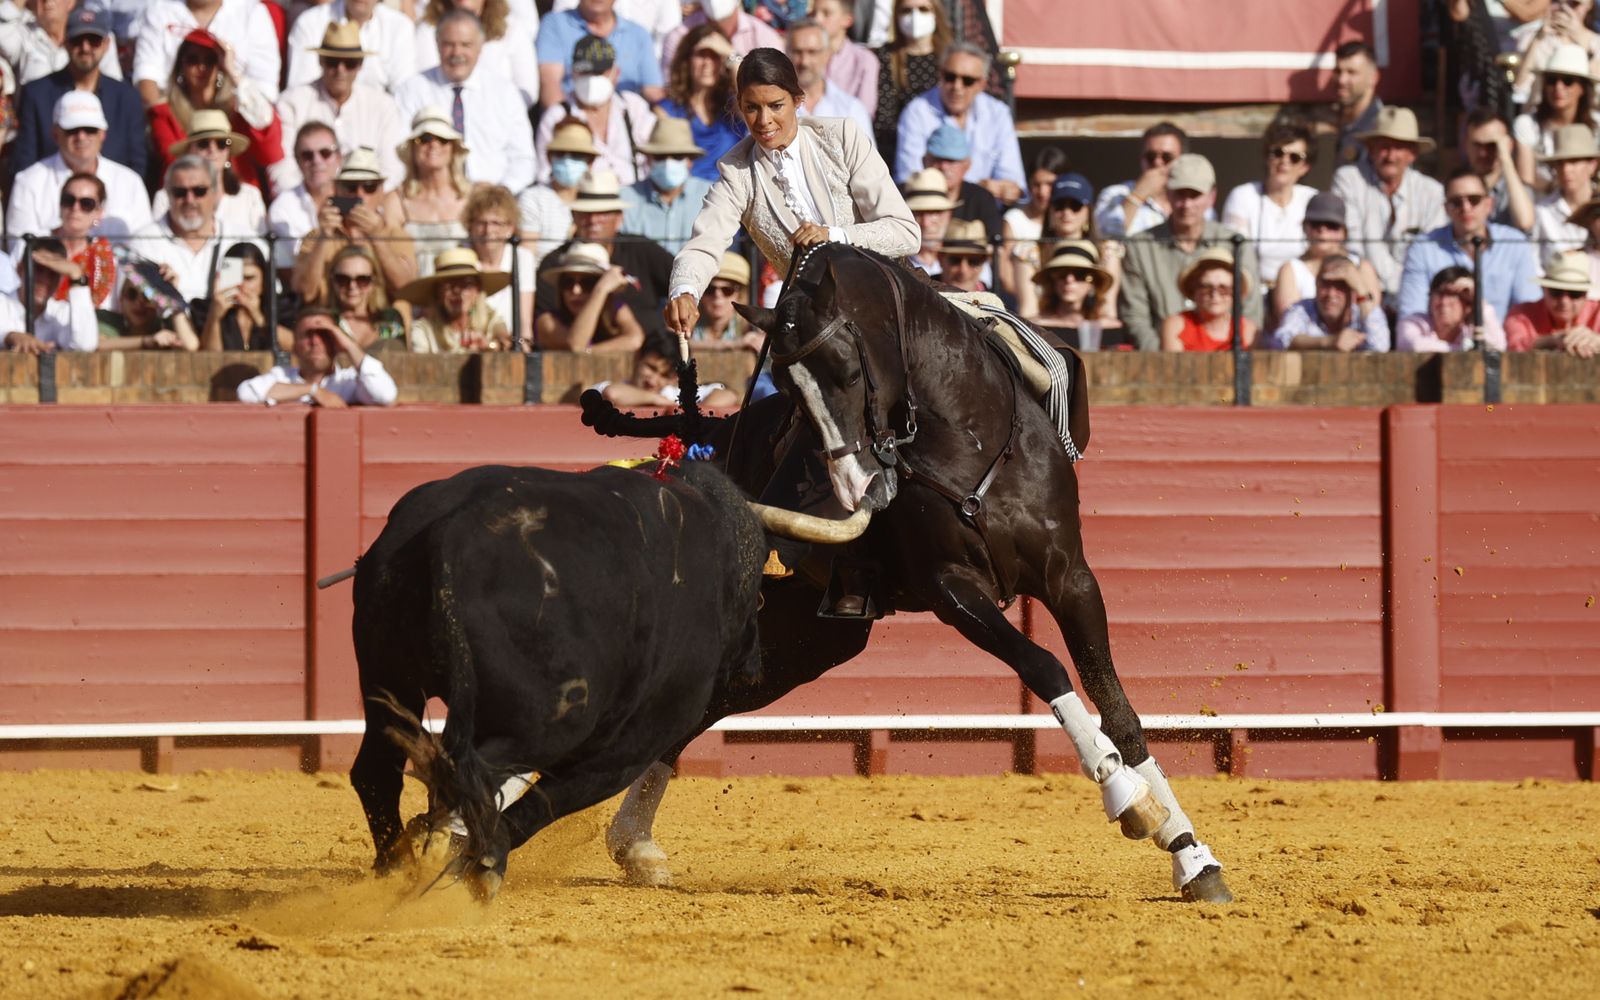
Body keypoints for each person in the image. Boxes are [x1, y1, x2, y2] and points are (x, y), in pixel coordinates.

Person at [664, 47, 919, 337]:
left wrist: (834, 235)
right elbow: (704, 243)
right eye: (751, 108)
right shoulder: (737, 173)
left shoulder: (843, 137)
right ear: (740, 106)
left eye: (775, 105)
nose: (763, 121)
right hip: (820, 334)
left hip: (894, 304)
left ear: (798, 100)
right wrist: (685, 291)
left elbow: (906, 233)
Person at [1120, 153, 1260, 352]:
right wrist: (1166, 361)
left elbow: (1251, 312)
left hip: (1227, 358)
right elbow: (1136, 319)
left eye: (1194, 195)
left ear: (1212, 196)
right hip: (1160, 362)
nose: (1186, 204)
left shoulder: (1236, 244)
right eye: (1180, 194)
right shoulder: (1140, 246)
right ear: (1167, 193)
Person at [393, 9, 536, 192]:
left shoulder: (504, 92)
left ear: (480, 46)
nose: (457, 52)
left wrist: (503, 190)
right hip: (430, 197)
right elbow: (399, 151)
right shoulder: (412, 89)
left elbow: (523, 158)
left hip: (492, 200)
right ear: (437, 44)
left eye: (466, 45)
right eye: (448, 44)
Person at [146, 29, 286, 196]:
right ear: (180, 66)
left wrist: (233, 72)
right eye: (192, 60)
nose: (201, 67)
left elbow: (270, 147)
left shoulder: (237, 109)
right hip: (188, 196)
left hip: (237, 195)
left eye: (210, 60)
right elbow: (173, 162)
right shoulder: (164, 113)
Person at [7, 91, 150, 252]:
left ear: (103, 134)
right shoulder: (28, 182)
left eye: (90, 129)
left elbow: (145, 248)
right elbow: (21, 251)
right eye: (72, 130)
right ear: (55, 134)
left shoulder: (130, 182)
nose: (81, 137)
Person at [9, 5, 144, 178]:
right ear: (65, 43)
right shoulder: (37, 94)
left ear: (106, 44)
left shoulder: (127, 97)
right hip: (49, 197)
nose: (85, 48)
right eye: (77, 40)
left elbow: (137, 164)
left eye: (93, 40)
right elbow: (24, 163)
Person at [1331, 106, 1446, 304]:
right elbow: (1352, 245)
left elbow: (1431, 253)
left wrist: (1404, 293)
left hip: (1417, 294)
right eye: (1383, 146)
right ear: (1371, 149)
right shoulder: (1349, 179)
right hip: (1362, 289)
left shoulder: (1431, 191)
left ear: (1413, 154)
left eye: (1399, 147)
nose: (1390, 155)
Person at [1396, 167, 1541, 322]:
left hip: (1503, 343)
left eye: (1474, 200)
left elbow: (1528, 313)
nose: (1465, 208)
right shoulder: (1423, 248)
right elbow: (1411, 318)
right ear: (1446, 208)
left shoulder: (1514, 243)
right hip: (1439, 344)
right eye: (1456, 202)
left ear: (1489, 204)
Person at [276, 21, 407, 187]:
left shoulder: (382, 106)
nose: (341, 70)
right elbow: (283, 169)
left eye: (350, 63)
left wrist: (368, 201)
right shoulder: (292, 102)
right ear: (321, 61)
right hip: (308, 202)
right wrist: (313, 202)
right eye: (333, 62)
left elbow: (392, 169)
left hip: (367, 202)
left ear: (360, 65)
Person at [892, 41, 1023, 204]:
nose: (957, 86)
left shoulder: (998, 113)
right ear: (940, 75)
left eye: (967, 80)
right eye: (950, 77)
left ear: (981, 84)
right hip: (931, 209)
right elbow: (910, 178)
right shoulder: (917, 111)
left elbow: (1013, 186)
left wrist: (1006, 190)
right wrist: (980, 187)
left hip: (986, 211)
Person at [537, 167, 673, 321]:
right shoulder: (554, 263)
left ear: (619, 218)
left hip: (652, 344)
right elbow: (545, 323)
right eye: (586, 212)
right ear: (573, 216)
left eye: (603, 212)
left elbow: (689, 284)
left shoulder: (642, 250)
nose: (593, 220)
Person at [291, 147, 417, 307]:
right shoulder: (316, 237)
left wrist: (377, 237)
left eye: (369, 187)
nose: (360, 195)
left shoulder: (396, 236)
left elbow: (404, 289)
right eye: (351, 187)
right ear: (337, 190)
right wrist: (324, 237)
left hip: (381, 325)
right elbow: (305, 291)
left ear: (381, 192)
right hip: (330, 321)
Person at [534, 33, 654, 185]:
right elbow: (544, 173)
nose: (591, 80)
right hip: (581, 201)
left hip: (635, 199)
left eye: (598, 73)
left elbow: (656, 157)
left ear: (615, 73)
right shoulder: (557, 116)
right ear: (573, 73)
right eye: (585, 73)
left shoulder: (634, 107)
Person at [1221, 118, 1319, 290]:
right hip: (1255, 291)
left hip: (1303, 293)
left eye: (1295, 157)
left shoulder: (1312, 199)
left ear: (1305, 167)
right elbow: (1237, 256)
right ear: (1267, 157)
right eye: (1278, 153)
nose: (1284, 161)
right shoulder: (1243, 196)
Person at [128, 156, 239, 305]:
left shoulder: (240, 239)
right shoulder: (143, 243)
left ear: (214, 193)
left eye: (199, 191)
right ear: (167, 194)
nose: (190, 200)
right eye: (180, 192)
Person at [236, 307, 399, 406]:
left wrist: (349, 345)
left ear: (336, 342)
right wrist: (314, 390)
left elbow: (385, 395)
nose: (315, 341)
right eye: (307, 335)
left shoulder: (348, 381)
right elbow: (246, 393)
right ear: (295, 347)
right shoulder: (282, 376)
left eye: (324, 334)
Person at [133, 0, 281, 107]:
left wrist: (232, 71)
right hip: (176, 126)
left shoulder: (253, 12)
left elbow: (266, 92)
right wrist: (170, 129)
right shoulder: (159, 10)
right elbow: (147, 81)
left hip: (236, 129)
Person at [1014, 172, 1120, 320]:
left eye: (1075, 206)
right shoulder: (1028, 251)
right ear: (1050, 210)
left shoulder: (1107, 251)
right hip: (1042, 334)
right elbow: (1028, 312)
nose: (1066, 212)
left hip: (1092, 335)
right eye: (1059, 206)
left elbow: (1107, 312)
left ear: (1087, 212)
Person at [1271, 191, 1383, 321]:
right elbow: (1288, 326)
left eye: (1332, 226)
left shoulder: (1362, 266)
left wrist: (1359, 286)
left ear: (1344, 232)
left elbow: (1375, 323)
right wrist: (1329, 340)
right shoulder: (1290, 269)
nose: (1322, 230)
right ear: (1304, 227)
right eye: (1316, 224)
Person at [156, 109, 266, 237]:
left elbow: (262, 249)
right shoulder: (165, 198)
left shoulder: (250, 196)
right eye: (203, 144)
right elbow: (156, 242)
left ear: (228, 152)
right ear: (189, 150)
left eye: (221, 143)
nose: (212, 150)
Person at [540, 0, 665, 111]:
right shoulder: (554, 24)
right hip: (571, 119)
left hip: (627, 125)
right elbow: (550, 85)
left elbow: (653, 91)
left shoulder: (638, 34)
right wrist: (567, 123)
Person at [413, 0, 539, 108]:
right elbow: (423, 86)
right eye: (448, 43)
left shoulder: (513, 30)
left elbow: (527, 91)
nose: (457, 52)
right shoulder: (428, 30)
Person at [657, 26, 744, 183]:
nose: (707, 63)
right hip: (689, 197)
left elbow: (753, 98)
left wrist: (732, 55)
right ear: (687, 60)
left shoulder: (734, 107)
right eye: (701, 55)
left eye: (715, 56)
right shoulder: (667, 110)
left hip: (731, 196)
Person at [396, 107, 474, 279]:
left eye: (443, 139)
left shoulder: (472, 197)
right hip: (415, 297)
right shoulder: (396, 201)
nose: (433, 144)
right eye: (424, 139)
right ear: (412, 148)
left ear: (453, 148)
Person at [872, 0, 949, 173]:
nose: (915, 16)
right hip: (900, 146)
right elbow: (884, 117)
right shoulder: (886, 57)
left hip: (942, 141)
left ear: (936, 14)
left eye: (923, 9)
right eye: (906, 11)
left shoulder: (948, 57)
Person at [1513, 42, 1600, 191]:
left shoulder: (1598, 125)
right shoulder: (1527, 124)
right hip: (1541, 208)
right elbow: (1526, 183)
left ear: (1582, 88)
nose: (1558, 87)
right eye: (1552, 80)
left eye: (1567, 81)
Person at [621, 116, 712, 254]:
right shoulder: (626, 199)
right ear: (648, 159)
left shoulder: (712, 195)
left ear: (690, 161)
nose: (668, 163)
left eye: (677, 157)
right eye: (660, 157)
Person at [534, 240, 645, 352]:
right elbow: (576, 345)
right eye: (567, 283)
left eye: (588, 284)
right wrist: (600, 290)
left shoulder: (616, 310)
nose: (575, 291)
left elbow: (635, 339)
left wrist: (589, 352)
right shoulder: (547, 321)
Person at [399, 245, 512, 352]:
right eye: (449, 285)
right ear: (437, 293)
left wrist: (490, 346)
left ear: (477, 290)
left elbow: (512, 342)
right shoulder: (424, 330)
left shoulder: (491, 319)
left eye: (466, 284)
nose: (457, 291)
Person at [285, 0, 415, 92]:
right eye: (332, 61)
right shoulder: (309, 23)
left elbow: (403, 92)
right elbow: (301, 90)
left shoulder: (400, 27)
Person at [597, 326, 740, 409]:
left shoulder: (676, 394)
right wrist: (659, 401)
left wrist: (694, 418)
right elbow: (612, 394)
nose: (653, 381)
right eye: (651, 368)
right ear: (637, 358)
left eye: (665, 376)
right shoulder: (609, 387)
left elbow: (727, 395)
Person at [1271, 254, 1391, 352]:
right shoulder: (1302, 309)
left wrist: (1361, 288)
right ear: (1316, 285)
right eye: (1325, 285)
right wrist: (1330, 342)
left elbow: (1380, 346)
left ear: (1352, 290)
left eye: (1340, 285)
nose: (1331, 294)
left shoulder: (1361, 313)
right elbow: (1282, 340)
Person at [30, 171, 115, 308]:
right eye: (68, 200)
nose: (75, 208)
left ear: (98, 213)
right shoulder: (35, 241)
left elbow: (95, 303)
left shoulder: (101, 252)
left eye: (86, 203)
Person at [1026, 240, 1130, 351]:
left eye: (1080, 274)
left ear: (1093, 283)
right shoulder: (1033, 327)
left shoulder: (1111, 329)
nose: (1069, 280)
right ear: (1052, 281)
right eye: (1061, 273)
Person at [519, 117, 595, 266]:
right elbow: (526, 259)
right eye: (560, 154)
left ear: (591, 161)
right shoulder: (533, 198)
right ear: (548, 157)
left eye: (576, 155)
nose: (567, 160)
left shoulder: (601, 202)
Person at [0, 240, 98, 353]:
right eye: (38, 270)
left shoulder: (62, 312)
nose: (45, 280)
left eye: (53, 273)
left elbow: (85, 345)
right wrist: (9, 337)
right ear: (20, 269)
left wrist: (77, 276)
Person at [269, 123, 342, 275]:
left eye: (325, 153)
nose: (317, 160)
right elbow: (298, 262)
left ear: (339, 158)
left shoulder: (359, 193)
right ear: (297, 160)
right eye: (307, 155)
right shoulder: (282, 208)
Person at [464, 185, 534, 342]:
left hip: (508, 344)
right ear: (470, 226)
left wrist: (523, 347)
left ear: (510, 228)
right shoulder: (461, 257)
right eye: (481, 223)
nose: (488, 230)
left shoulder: (523, 259)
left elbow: (524, 320)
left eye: (496, 223)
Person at [0, 0, 123, 87]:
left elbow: (114, 87)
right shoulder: (22, 33)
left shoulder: (96, 36)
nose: (47, 0)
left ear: (71, 2)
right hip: (37, 118)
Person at [1000, 146, 1068, 300]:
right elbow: (1004, 272)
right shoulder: (1015, 219)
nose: (1042, 192)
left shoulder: (1069, 218)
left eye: (1049, 184)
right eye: (1037, 184)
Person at [1159, 248, 1257, 352]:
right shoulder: (1176, 326)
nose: (1215, 295)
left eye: (1223, 288)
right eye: (1206, 287)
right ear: (1194, 290)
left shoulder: (1249, 331)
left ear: (1235, 292)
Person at [922, 123, 1002, 252]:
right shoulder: (903, 195)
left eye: (952, 161)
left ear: (967, 165)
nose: (944, 167)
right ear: (924, 161)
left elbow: (997, 251)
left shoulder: (982, 199)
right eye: (937, 160)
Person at [659, 0, 783, 83]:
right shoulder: (679, 37)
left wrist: (732, 57)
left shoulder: (765, 37)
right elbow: (672, 90)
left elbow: (772, 92)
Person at [199, 242, 292, 351]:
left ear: (263, 280)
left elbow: (293, 347)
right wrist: (214, 317)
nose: (241, 285)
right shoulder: (203, 309)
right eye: (235, 278)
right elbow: (211, 358)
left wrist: (258, 317)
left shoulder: (281, 307)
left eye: (249, 278)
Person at [789, 17, 872, 138]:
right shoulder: (771, 108)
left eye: (812, 52)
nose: (804, 62)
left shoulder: (851, 109)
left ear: (827, 54)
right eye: (797, 52)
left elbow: (867, 155)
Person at [1503, 249, 1600, 352]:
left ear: (1586, 294)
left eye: (1574, 294)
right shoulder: (1521, 314)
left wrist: (1597, 341)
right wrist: (1551, 340)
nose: (1564, 301)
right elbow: (1514, 346)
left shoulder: (1598, 312)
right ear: (1544, 289)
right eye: (1556, 292)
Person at [1532, 122, 1599, 265]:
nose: (1566, 169)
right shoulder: (1542, 211)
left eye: (1574, 161)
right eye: (1560, 163)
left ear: (1592, 165)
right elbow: (1533, 262)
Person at [1394, 265, 1505, 352]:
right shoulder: (1414, 322)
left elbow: (1498, 347)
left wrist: (1479, 303)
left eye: (1453, 295)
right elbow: (1414, 346)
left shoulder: (1473, 329)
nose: (1444, 302)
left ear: (1468, 304)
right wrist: (1464, 351)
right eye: (1439, 293)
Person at [1462, 106, 1536, 233]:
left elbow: (1525, 222)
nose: (1483, 153)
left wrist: (1506, 159)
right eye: (1477, 145)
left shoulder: (1518, 190)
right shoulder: (1457, 188)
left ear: (1509, 145)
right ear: (1466, 144)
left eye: (1491, 146)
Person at [322, 244, 408, 348]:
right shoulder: (323, 321)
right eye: (343, 279)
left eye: (362, 280)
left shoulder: (390, 319)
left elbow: (401, 357)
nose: (352, 286)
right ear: (332, 281)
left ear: (373, 282)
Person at [98, 277, 200, 351]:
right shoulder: (108, 321)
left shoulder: (167, 325)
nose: (139, 302)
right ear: (121, 299)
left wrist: (173, 296)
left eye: (147, 296)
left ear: (158, 301)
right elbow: (95, 344)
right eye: (131, 294)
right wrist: (148, 341)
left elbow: (190, 346)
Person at [688, 251, 761, 350]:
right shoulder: (688, 322)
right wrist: (732, 345)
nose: (718, 295)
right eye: (709, 289)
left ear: (739, 295)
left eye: (727, 290)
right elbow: (672, 343)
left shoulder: (752, 327)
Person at [1333, 40, 1383, 166]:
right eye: (1338, 71)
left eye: (1351, 72)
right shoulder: (1330, 119)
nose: (1341, 80)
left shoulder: (1382, 128)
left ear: (1373, 78)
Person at [902, 166, 958, 275]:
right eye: (917, 214)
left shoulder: (969, 261)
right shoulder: (892, 264)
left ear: (948, 215)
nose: (926, 223)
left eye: (935, 213)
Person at [935, 218, 1002, 301]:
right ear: (940, 258)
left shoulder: (995, 301)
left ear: (983, 261)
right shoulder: (922, 297)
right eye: (955, 260)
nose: (963, 270)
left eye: (973, 261)